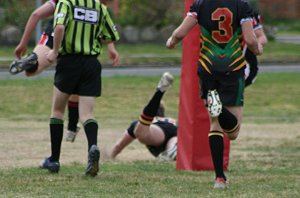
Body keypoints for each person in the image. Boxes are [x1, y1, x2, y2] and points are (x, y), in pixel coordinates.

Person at [166, 0, 263, 189]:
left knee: (215, 124)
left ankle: (219, 178)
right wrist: (257, 49)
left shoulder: (200, 5)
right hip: (233, 68)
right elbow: (250, 40)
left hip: (207, 69)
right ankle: (218, 107)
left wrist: (171, 41)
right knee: (233, 133)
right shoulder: (242, 6)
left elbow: (179, 33)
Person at [9, 0, 120, 142]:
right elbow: (105, 26)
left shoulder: (62, 2)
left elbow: (36, 14)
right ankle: (72, 127)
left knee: (33, 71)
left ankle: (32, 61)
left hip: (54, 32)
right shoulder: (94, 4)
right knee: (77, 83)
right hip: (76, 39)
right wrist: (111, 47)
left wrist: (22, 43)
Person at [40, 0, 120, 177]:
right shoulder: (99, 6)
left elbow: (59, 28)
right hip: (91, 64)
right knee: (87, 115)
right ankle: (92, 146)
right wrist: (111, 49)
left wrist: (54, 51)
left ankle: (54, 160)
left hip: (69, 62)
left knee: (57, 112)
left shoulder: (66, 2)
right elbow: (110, 34)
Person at [109, 72, 177, 161]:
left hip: (157, 132)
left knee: (141, 133)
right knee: (174, 142)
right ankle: (173, 150)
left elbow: (119, 145)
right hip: (177, 130)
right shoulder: (170, 120)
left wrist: (110, 157)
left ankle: (159, 92)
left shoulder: (140, 123)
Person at [244, 11, 268, 87]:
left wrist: (255, 46)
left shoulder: (244, 10)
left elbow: (262, 37)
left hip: (241, 63)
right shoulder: (207, 7)